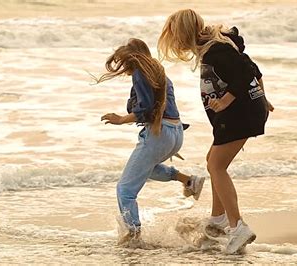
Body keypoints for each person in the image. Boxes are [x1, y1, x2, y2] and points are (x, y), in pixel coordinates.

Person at [157, 9, 273, 254]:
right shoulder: (217, 44)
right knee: (212, 161)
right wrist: (262, 97)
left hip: (239, 114)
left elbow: (245, 71)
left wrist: (227, 100)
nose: (175, 42)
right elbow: (251, 66)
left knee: (217, 166)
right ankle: (218, 219)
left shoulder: (215, 50)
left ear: (183, 33)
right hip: (243, 112)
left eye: (176, 36)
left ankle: (238, 226)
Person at [95, 38, 205, 246]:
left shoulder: (140, 73)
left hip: (160, 134)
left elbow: (144, 110)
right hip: (175, 132)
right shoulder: (160, 72)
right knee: (148, 169)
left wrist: (120, 120)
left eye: (123, 61)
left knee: (125, 190)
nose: (122, 67)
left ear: (131, 58)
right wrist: (167, 142)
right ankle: (189, 181)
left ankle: (133, 236)